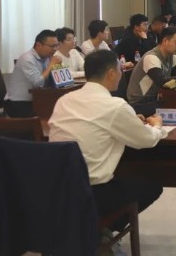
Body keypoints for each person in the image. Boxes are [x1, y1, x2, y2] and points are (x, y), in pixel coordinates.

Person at [48, 50, 166, 239]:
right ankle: (101, 231)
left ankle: (92, 230)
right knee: (151, 187)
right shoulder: (115, 106)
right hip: (93, 193)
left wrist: (129, 120)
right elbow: (147, 140)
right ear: (111, 73)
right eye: (120, 70)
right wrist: (157, 125)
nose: (121, 74)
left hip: (57, 187)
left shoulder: (64, 100)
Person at [3, 30, 62, 117]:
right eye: (52, 46)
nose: (55, 49)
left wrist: (58, 67)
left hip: (37, 100)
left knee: (61, 111)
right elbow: (38, 83)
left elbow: (57, 81)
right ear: (39, 45)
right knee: (51, 116)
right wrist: (51, 65)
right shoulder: (27, 59)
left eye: (57, 45)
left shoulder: (47, 58)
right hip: (18, 103)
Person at [127, 28, 176, 116]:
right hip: (139, 103)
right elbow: (162, 82)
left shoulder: (172, 56)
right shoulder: (151, 57)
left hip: (154, 99)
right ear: (165, 41)